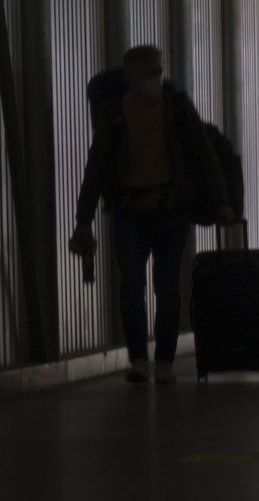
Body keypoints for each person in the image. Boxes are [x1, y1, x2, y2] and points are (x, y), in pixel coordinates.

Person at [70, 45, 233, 384]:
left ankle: (164, 362)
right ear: (131, 77)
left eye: (159, 71)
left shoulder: (175, 108)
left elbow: (204, 155)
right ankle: (140, 361)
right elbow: (96, 167)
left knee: (168, 287)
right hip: (129, 213)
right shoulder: (115, 114)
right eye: (149, 72)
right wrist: (83, 220)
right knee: (131, 287)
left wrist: (221, 201)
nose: (157, 78)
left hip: (171, 212)